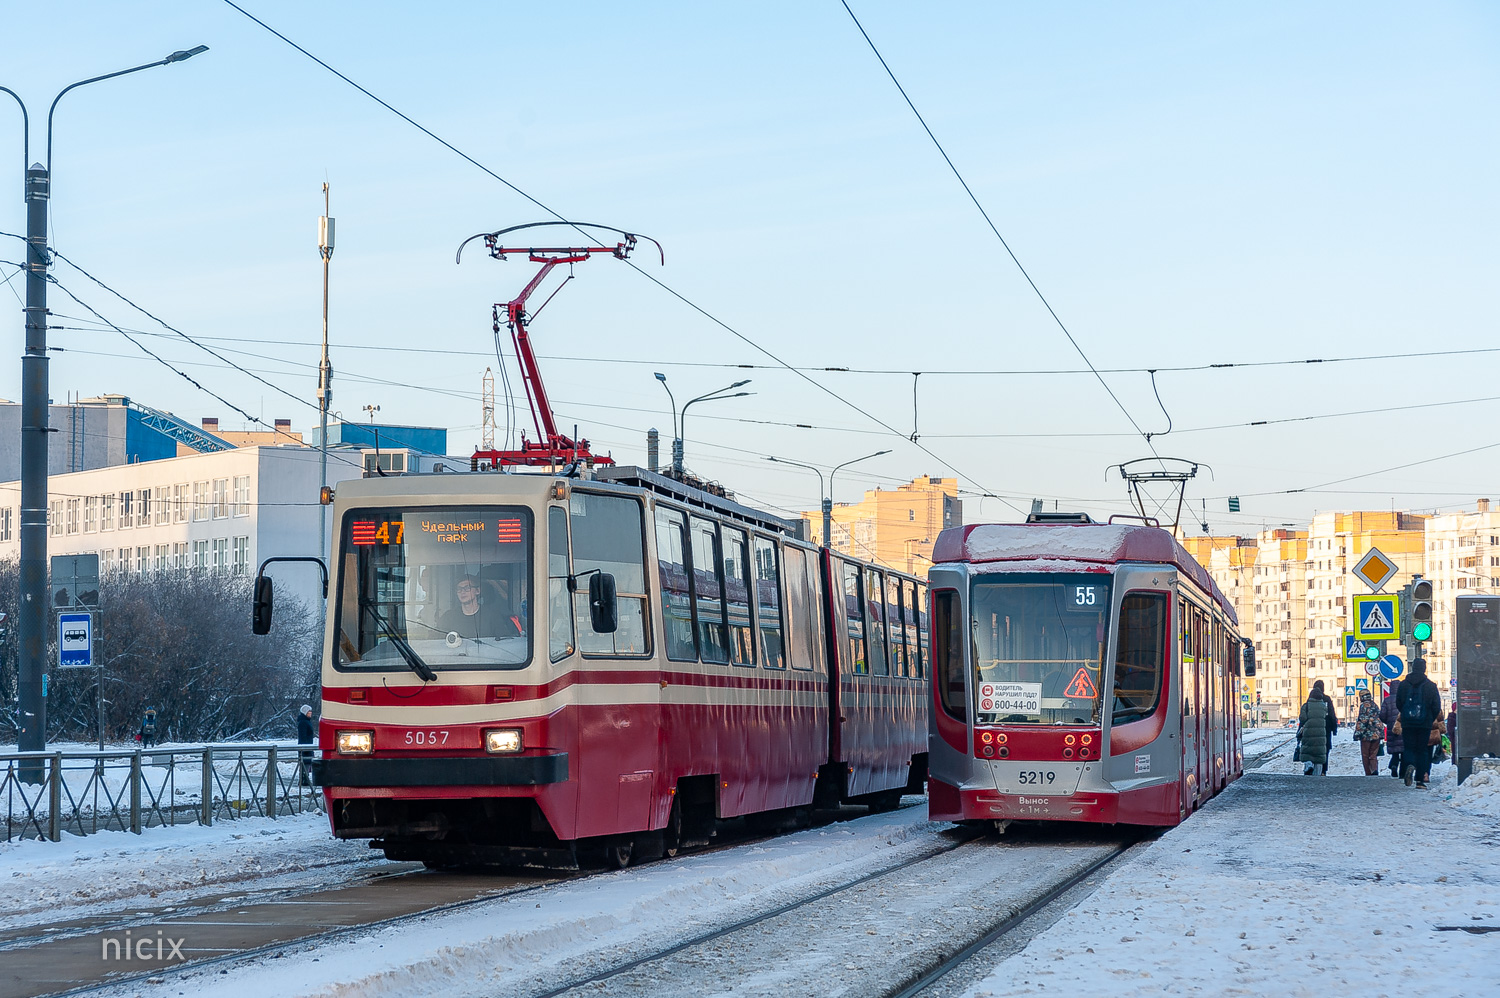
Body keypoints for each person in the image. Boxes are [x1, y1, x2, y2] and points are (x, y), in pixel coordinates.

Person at [1397, 658, 1444, 788]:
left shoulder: (1403, 685)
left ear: (1412, 668)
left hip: (1408, 723)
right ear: (1424, 669)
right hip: (1424, 724)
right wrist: (1429, 718)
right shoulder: (1430, 686)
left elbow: (1399, 703)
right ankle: (1420, 781)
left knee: (1409, 748)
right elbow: (1436, 706)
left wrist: (1407, 716)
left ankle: (1410, 764)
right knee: (1423, 750)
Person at [438, 575, 521, 639]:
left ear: (477, 591)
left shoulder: (492, 615)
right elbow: (436, 641)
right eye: (459, 589)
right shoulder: (448, 617)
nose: (462, 592)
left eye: (467, 588)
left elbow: (505, 641)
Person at [1298, 681, 1334, 776]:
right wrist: (1333, 729)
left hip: (1309, 733)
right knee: (1322, 751)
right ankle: (1321, 772)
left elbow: (1302, 719)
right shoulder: (1325, 704)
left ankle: (1309, 765)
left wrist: (1299, 733)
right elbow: (1331, 715)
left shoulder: (1308, 704)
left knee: (1308, 750)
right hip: (1323, 731)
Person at [1354, 690, 1382, 776]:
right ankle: (1374, 769)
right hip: (1376, 734)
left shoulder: (1363, 706)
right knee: (1373, 754)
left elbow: (1363, 721)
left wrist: (1357, 734)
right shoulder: (1375, 705)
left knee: (1365, 755)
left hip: (1366, 735)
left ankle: (1368, 773)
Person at [1380, 679, 1404, 778]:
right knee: (1403, 750)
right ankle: (1402, 772)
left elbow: (1382, 715)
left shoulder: (1387, 700)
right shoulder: (1404, 699)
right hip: (1403, 728)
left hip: (1391, 729)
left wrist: (1388, 722)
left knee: (1395, 751)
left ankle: (1394, 765)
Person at [296, 704, 316, 787]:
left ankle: (305, 779)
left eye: (311, 712)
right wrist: (305, 747)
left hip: (308, 745)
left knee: (307, 763)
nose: (310, 713)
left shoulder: (306, 721)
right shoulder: (303, 722)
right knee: (305, 762)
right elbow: (303, 735)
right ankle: (304, 780)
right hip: (305, 746)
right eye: (309, 712)